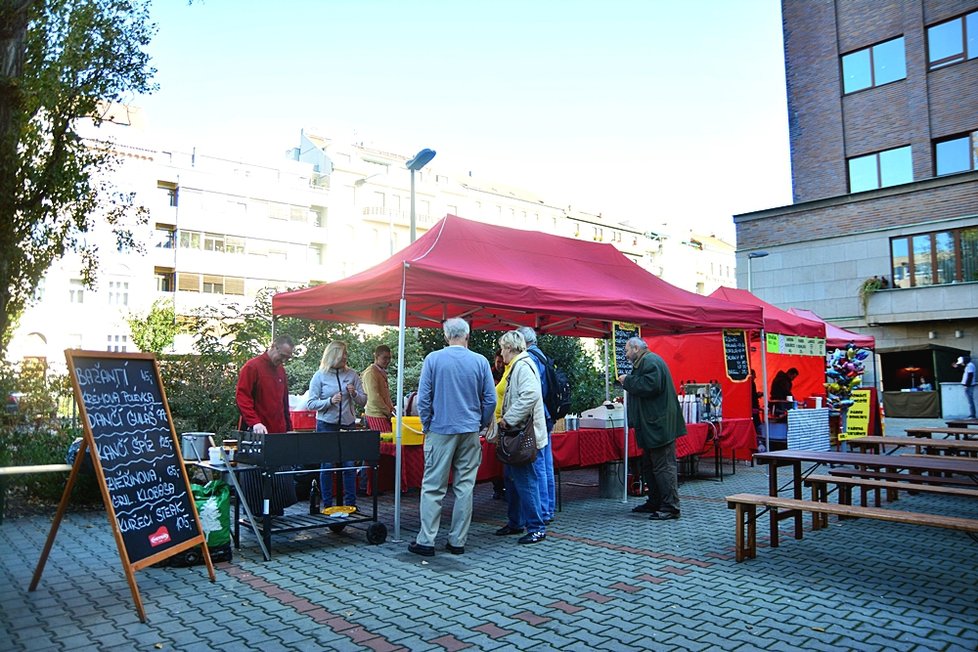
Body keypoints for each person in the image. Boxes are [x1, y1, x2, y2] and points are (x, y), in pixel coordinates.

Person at [408, 318, 496, 557]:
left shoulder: (433, 359)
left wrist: (427, 424)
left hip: (440, 429)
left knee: (433, 487)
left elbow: (423, 399)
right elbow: (491, 399)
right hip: (469, 431)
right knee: (465, 487)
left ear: (446, 336)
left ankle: (426, 540)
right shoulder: (480, 361)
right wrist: (481, 424)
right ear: (467, 336)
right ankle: (457, 541)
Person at [617, 337, 685, 521]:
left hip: (659, 425)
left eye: (627, 350)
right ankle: (655, 501)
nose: (625, 354)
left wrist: (627, 380)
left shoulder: (650, 361)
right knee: (650, 465)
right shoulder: (647, 361)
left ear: (636, 348)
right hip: (653, 425)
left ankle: (670, 507)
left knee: (663, 466)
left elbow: (650, 386)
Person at [494, 330, 549, 544]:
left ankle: (536, 527)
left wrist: (508, 418)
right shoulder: (518, 365)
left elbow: (531, 395)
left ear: (509, 348)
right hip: (518, 434)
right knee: (513, 479)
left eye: (502, 348)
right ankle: (516, 522)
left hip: (521, 435)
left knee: (525, 480)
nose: (501, 353)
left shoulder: (522, 366)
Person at [235, 335, 297, 515]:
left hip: (277, 431)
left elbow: (283, 401)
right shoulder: (252, 367)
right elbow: (242, 397)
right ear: (273, 347)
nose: (284, 360)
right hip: (256, 431)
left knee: (279, 475)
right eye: (283, 356)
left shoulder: (281, 371)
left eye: (288, 357)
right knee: (255, 476)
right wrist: (255, 422)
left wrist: (288, 426)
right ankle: (256, 514)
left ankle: (276, 510)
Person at [307, 341, 367, 511]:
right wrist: (329, 402)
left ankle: (351, 504)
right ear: (333, 356)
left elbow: (364, 401)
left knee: (349, 465)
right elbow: (311, 403)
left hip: (348, 425)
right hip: (326, 425)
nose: (346, 357)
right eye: (343, 354)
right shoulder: (319, 376)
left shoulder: (353, 375)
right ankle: (327, 504)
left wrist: (354, 393)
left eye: (346, 354)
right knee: (327, 465)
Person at [518, 326, 556, 524]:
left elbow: (530, 393)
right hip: (547, 415)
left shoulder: (529, 360)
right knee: (546, 465)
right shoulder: (542, 356)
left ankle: (542, 510)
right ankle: (548, 508)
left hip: (537, 417)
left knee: (538, 465)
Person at [362, 345, 395, 433]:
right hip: (375, 414)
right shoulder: (371, 373)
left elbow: (385, 395)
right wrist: (388, 411)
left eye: (389, 358)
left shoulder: (380, 371)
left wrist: (391, 408)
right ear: (376, 357)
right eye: (385, 358)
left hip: (383, 414)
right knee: (384, 443)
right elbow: (374, 398)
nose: (387, 361)